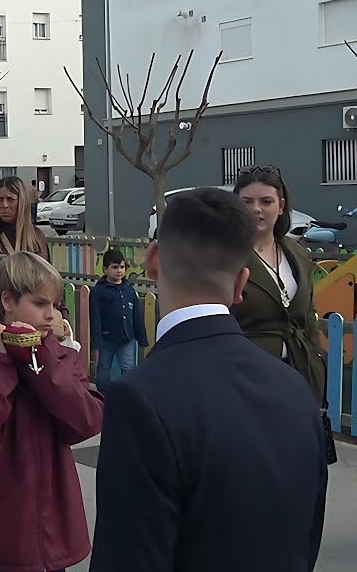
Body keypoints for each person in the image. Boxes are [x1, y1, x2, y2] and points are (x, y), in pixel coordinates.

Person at [90, 187, 327, 572]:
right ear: (241, 284)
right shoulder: (296, 390)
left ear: (152, 261)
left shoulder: (139, 399)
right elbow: (308, 537)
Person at [0, 252, 102, 572]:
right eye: (40, 304)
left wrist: (41, 363)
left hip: (45, 534)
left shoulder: (60, 358)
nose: (51, 315)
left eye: (55, 305)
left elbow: (85, 421)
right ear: (7, 301)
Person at [230, 167, 330, 434]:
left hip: (300, 374)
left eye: (266, 201)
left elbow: (308, 315)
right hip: (247, 380)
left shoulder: (297, 252)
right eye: (247, 202)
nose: (256, 210)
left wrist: (316, 360)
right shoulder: (224, 256)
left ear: (281, 206)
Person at [89, 248, 147, 387]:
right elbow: (95, 317)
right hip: (106, 339)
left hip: (127, 338)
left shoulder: (129, 290)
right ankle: (102, 394)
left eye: (122, 267)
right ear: (105, 269)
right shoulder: (99, 291)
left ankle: (126, 393)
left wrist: (141, 337)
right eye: (114, 267)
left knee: (128, 368)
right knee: (104, 367)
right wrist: (97, 341)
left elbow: (136, 315)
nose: (119, 270)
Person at [0, 177, 49, 263]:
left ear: (21, 202)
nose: (4, 205)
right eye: (0, 199)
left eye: (10, 199)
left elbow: (47, 275)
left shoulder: (37, 238)